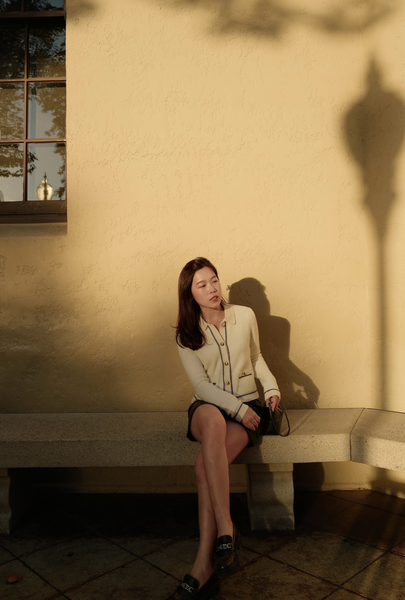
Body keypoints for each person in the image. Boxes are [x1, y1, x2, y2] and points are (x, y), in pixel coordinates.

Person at [168, 257, 280, 600]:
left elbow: (256, 357)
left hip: (249, 407)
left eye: (214, 280)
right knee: (213, 419)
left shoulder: (244, 315)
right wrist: (237, 409)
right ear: (190, 294)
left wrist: (271, 388)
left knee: (203, 467)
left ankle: (202, 566)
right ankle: (227, 528)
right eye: (202, 285)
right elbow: (201, 387)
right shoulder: (185, 335)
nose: (212, 289)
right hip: (208, 408)